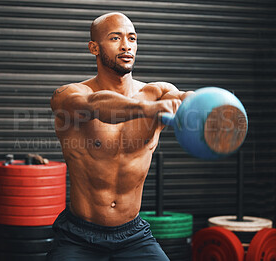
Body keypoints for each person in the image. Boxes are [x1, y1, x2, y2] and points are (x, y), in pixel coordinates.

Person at [47, 12, 194, 261]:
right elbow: (96, 106)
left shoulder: (158, 93)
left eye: (132, 38)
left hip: (133, 235)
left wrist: (203, 105)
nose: (126, 45)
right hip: (79, 236)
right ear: (94, 47)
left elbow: (184, 98)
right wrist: (147, 110)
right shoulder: (69, 95)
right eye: (115, 38)